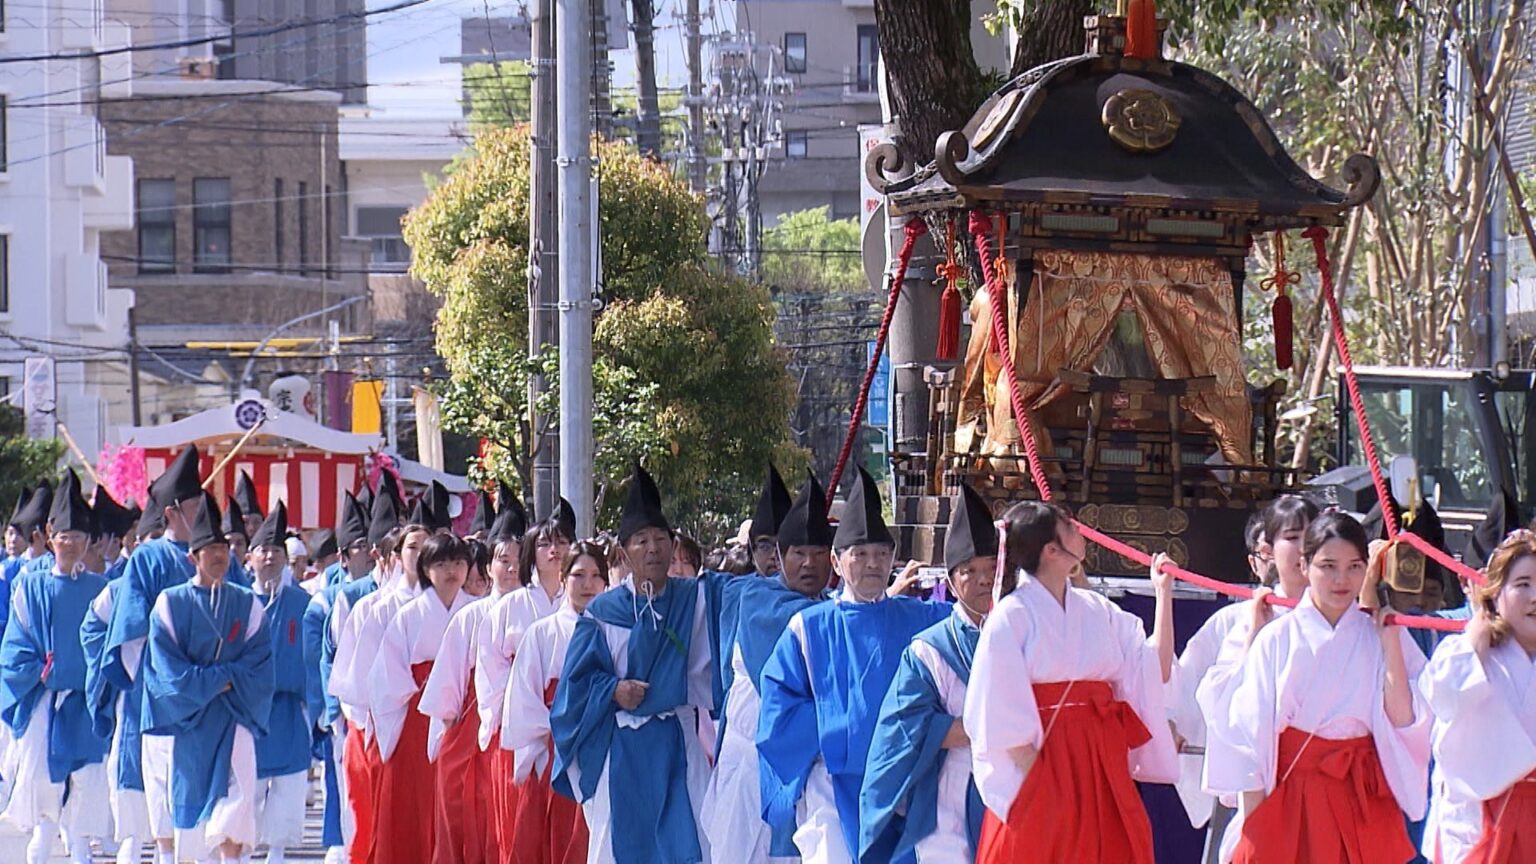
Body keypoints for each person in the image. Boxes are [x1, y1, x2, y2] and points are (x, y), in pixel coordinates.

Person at [1206, 511, 1431, 864]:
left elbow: (1406, 721)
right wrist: (1256, 823)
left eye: (1355, 566)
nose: (1342, 579)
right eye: (1328, 565)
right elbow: (1247, 737)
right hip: (1292, 793)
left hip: (1362, 795)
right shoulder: (1278, 638)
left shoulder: (1380, 635)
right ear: (1305, 564)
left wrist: (1391, 644)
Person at [963, 500, 1178, 864]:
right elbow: (998, 718)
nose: (1081, 533)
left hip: (1101, 760)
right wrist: (1043, 786)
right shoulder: (1010, 618)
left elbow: (1155, 670)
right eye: (1071, 529)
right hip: (1043, 760)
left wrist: (1164, 593)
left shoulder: (1097, 610)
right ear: (1052, 551)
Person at [756, 466, 951, 864]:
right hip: (834, 785)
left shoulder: (922, 620)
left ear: (894, 559)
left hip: (907, 787)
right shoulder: (808, 629)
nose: (872, 563)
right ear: (837, 560)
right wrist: (846, 726)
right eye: (860, 554)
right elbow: (777, 712)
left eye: (881, 554)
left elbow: (977, 634)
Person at [551, 465, 715, 864]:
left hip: (679, 739)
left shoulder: (693, 598)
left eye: (661, 538)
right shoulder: (604, 613)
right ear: (624, 552)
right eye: (642, 540)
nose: (654, 548)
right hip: (622, 748)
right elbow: (575, 686)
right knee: (619, 846)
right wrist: (613, 690)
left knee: (692, 838)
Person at [861, 482, 998, 863]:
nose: (984, 579)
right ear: (952, 582)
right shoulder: (929, 649)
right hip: (949, 795)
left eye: (992, 568)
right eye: (970, 570)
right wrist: (986, 727)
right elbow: (904, 729)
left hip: (1014, 791)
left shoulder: (1025, 636)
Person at [701, 471, 833, 864]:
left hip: (807, 768)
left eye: (819, 552)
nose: (809, 563)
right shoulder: (761, 599)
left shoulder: (829, 607)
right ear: (780, 557)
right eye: (798, 553)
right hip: (749, 767)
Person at [1174, 496, 1317, 860]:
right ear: (1267, 551)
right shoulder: (1242, 618)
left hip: (1328, 786)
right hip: (1262, 781)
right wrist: (1255, 632)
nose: (1305, 548)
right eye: (1294, 537)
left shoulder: (1349, 619)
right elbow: (1217, 695)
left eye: (1313, 536)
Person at [142, 493, 275, 864]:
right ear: (192, 557)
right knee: (190, 797)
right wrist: (222, 678)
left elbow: (260, 664)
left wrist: (217, 679)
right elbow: (168, 670)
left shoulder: (247, 602)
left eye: (223, 547)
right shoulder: (170, 603)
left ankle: (231, 859)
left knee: (238, 795)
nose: (219, 555)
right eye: (209, 549)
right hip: (190, 721)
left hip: (235, 717)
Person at [0, 471, 112, 864]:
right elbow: (15, 643)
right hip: (44, 697)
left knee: (87, 775)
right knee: (44, 779)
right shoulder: (30, 585)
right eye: (65, 537)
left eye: (80, 538)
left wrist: (101, 681)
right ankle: (43, 842)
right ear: (50, 535)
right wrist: (39, 671)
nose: (72, 544)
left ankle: (79, 842)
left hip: (85, 699)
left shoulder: (100, 589)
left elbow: (109, 645)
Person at [104, 446, 206, 863]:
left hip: (207, 689)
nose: (203, 514)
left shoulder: (214, 557)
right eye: (196, 507)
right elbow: (130, 626)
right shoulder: (147, 559)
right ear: (173, 513)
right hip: (159, 690)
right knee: (163, 780)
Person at [419, 500, 528, 864]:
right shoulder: (470, 616)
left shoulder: (539, 614)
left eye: (517, 560)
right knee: (465, 823)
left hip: (525, 728)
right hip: (471, 733)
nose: (511, 569)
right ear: (488, 566)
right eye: (502, 560)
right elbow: (447, 686)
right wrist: (448, 735)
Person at [1419, 531, 1536, 864]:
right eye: (1523, 584)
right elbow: (1443, 702)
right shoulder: (1463, 650)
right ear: (1495, 592)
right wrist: (1475, 643)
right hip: (1478, 819)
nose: (1534, 597)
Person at [368, 531, 476, 864]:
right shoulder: (408, 616)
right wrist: (427, 691)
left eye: (458, 563)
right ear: (426, 568)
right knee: (415, 805)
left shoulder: (476, 612)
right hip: (416, 717)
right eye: (441, 563)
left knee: (463, 802)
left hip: (465, 716)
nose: (451, 571)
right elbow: (386, 676)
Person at [501, 540, 611, 864]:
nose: (588, 584)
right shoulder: (541, 633)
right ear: (563, 579)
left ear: (606, 582)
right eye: (579, 575)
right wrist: (560, 728)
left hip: (603, 748)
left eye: (595, 575)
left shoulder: (614, 630)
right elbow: (523, 697)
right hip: (554, 751)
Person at [479, 502, 571, 857]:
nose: (554, 551)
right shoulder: (509, 607)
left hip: (573, 724)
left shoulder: (585, 605)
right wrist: (522, 713)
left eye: (562, 543)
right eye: (546, 544)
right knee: (519, 826)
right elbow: (491, 667)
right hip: (519, 725)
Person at [304, 492, 372, 864]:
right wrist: (327, 707)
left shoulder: (384, 593)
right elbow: (318, 659)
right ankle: (337, 839)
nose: (369, 553)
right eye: (359, 547)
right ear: (344, 557)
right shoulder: (328, 600)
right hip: (341, 702)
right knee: (339, 775)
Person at [246, 502, 312, 864]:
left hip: (288, 710)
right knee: (248, 785)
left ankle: (277, 852)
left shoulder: (302, 603)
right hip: (249, 710)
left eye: (275, 551)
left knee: (288, 785)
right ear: (251, 557)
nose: (269, 557)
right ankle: (244, 848)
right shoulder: (239, 601)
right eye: (262, 551)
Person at [748, 465, 792, 577]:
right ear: (752, 554)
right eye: (765, 547)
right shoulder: (735, 592)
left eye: (782, 547)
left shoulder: (815, 594)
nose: (774, 555)